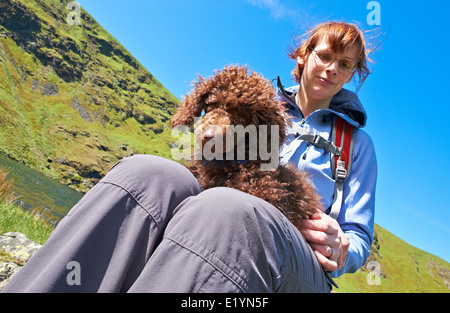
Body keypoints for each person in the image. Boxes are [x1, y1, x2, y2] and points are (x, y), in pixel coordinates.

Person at [2, 21, 376, 293]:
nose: (331, 69)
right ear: (304, 54)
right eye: (326, 55)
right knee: (148, 174)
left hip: (297, 260)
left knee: (229, 211)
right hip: (217, 206)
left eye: (345, 65)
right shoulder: (253, 97)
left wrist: (342, 247)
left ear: (352, 75)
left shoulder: (356, 145)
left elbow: (359, 236)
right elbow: (193, 154)